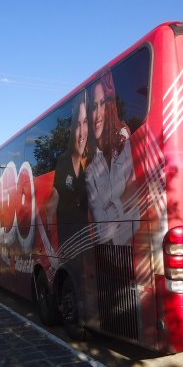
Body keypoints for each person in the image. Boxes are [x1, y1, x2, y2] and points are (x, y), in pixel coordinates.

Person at [85, 71, 139, 245]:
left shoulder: (122, 137)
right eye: (94, 107)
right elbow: (98, 217)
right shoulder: (90, 164)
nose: (99, 114)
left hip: (134, 244)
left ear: (110, 107)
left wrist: (110, 210)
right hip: (109, 250)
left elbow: (133, 192)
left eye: (103, 104)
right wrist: (121, 204)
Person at [45, 91, 89, 251]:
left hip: (85, 243)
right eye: (77, 124)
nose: (82, 132)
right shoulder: (64, 162)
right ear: (71, 130)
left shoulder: (87, 166)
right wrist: (51, 238)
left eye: (85, 123)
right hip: (69, 245)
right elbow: (51, 206)